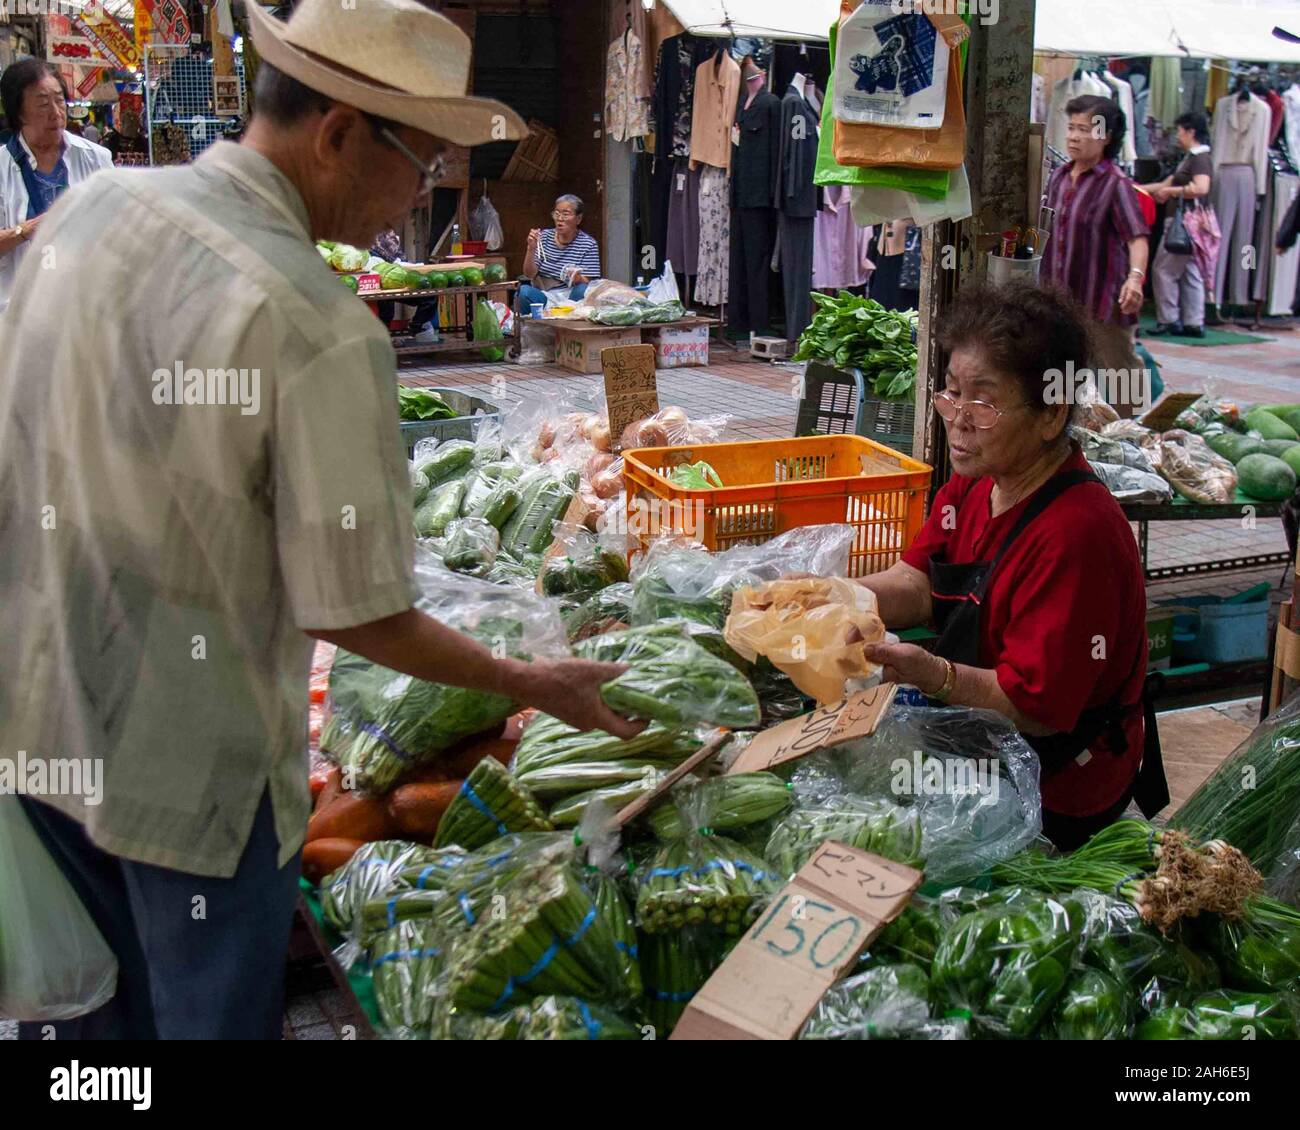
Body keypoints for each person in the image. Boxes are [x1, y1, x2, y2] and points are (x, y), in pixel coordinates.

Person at [0, 0, 640, 1041]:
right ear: (339, 131)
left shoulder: (89, 212)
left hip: (39, 721)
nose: (417, 193)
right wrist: (531, 679)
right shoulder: (313, 323)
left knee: (91, 1046)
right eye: (421, 161)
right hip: (191, 786)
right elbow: (359, 610)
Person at [855, 282, 1167, 851]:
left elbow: (1036, 710)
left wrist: (935, 674)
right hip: (986, 738)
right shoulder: (976, 486)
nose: (958, 419)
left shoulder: (1077, 534)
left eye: (984, 401)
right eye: (951, 393)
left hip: (1059, 781)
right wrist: (831, 596)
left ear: (1051, 415)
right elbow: (917, 582)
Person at [1041, 95, 1150, 417]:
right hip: (1060, 303)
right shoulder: (1059, 178)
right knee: (1061, 380)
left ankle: (1134, 435)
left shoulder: (1115, 184)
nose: (1074, 136)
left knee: (1121, 377)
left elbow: (1137, 237)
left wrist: (1136, 279)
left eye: (1085, 130)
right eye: (1071, 127)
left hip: (1103, 304)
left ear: (1107, 137)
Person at [0, 57, 111, 312]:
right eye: (43, 104)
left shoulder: (95, 158)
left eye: (59, 100)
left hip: (84, 313)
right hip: (20, 317)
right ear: (18, 112)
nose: (56, 113)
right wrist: (25, 230)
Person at [1141, 111, 1215, 338]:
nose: (1178, 136)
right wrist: (1137, 188)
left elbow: (1201, 188)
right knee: (1190, 270)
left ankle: (1169, 319)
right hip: (1192, 222)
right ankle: (1194, 321)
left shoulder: (1199, 158)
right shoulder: (1192, 158)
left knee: (1163, 269)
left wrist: (1170, 192)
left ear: (1191, 131)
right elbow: (1165, 183)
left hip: (1183, 221)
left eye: (1180, 131)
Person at [518, 193, 601, 312]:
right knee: (524, 291)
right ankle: (530, 327)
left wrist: (577, 278)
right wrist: (531, 249)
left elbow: (590, 283)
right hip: (544, 294)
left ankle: (570, 326)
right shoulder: (544, 237)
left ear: (578, 219)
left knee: (583, 289)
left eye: (565, 214)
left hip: (571, 297)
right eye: (557, 214)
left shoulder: (588, 244)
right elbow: (529, 274)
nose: (560, 219)